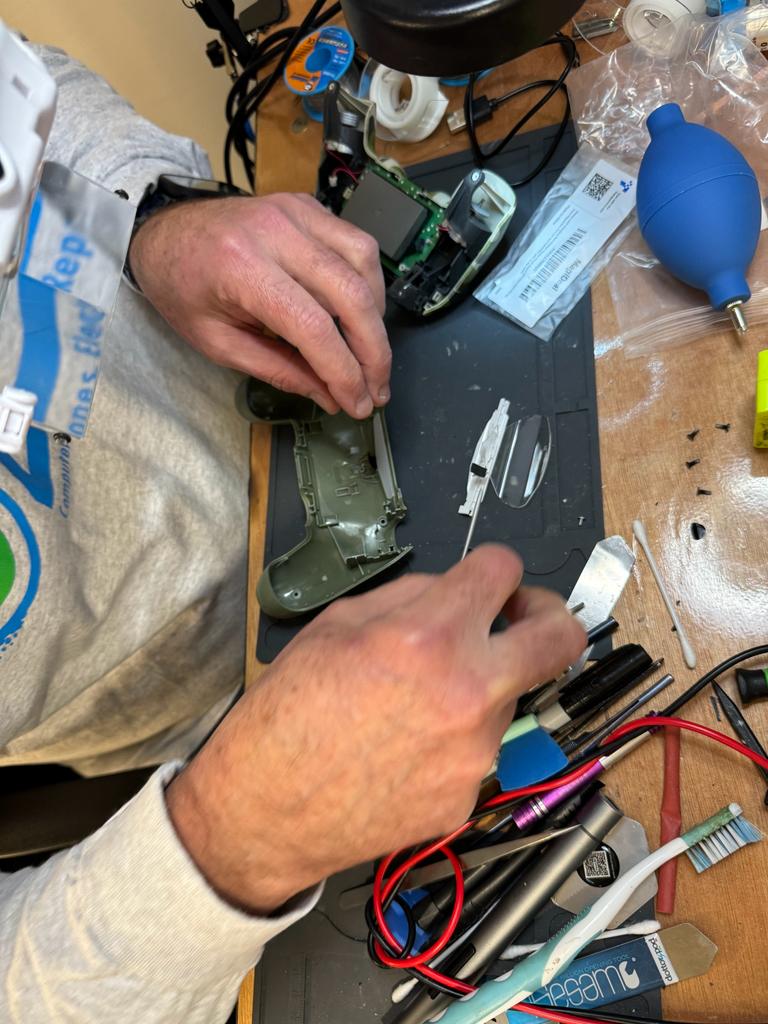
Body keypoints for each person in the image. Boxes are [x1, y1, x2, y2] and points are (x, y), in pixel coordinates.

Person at [0, 38, 586, 1024]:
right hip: (216, 708)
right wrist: (235, 838)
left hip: (248, 364)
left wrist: (150, 214)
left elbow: (29, 87)